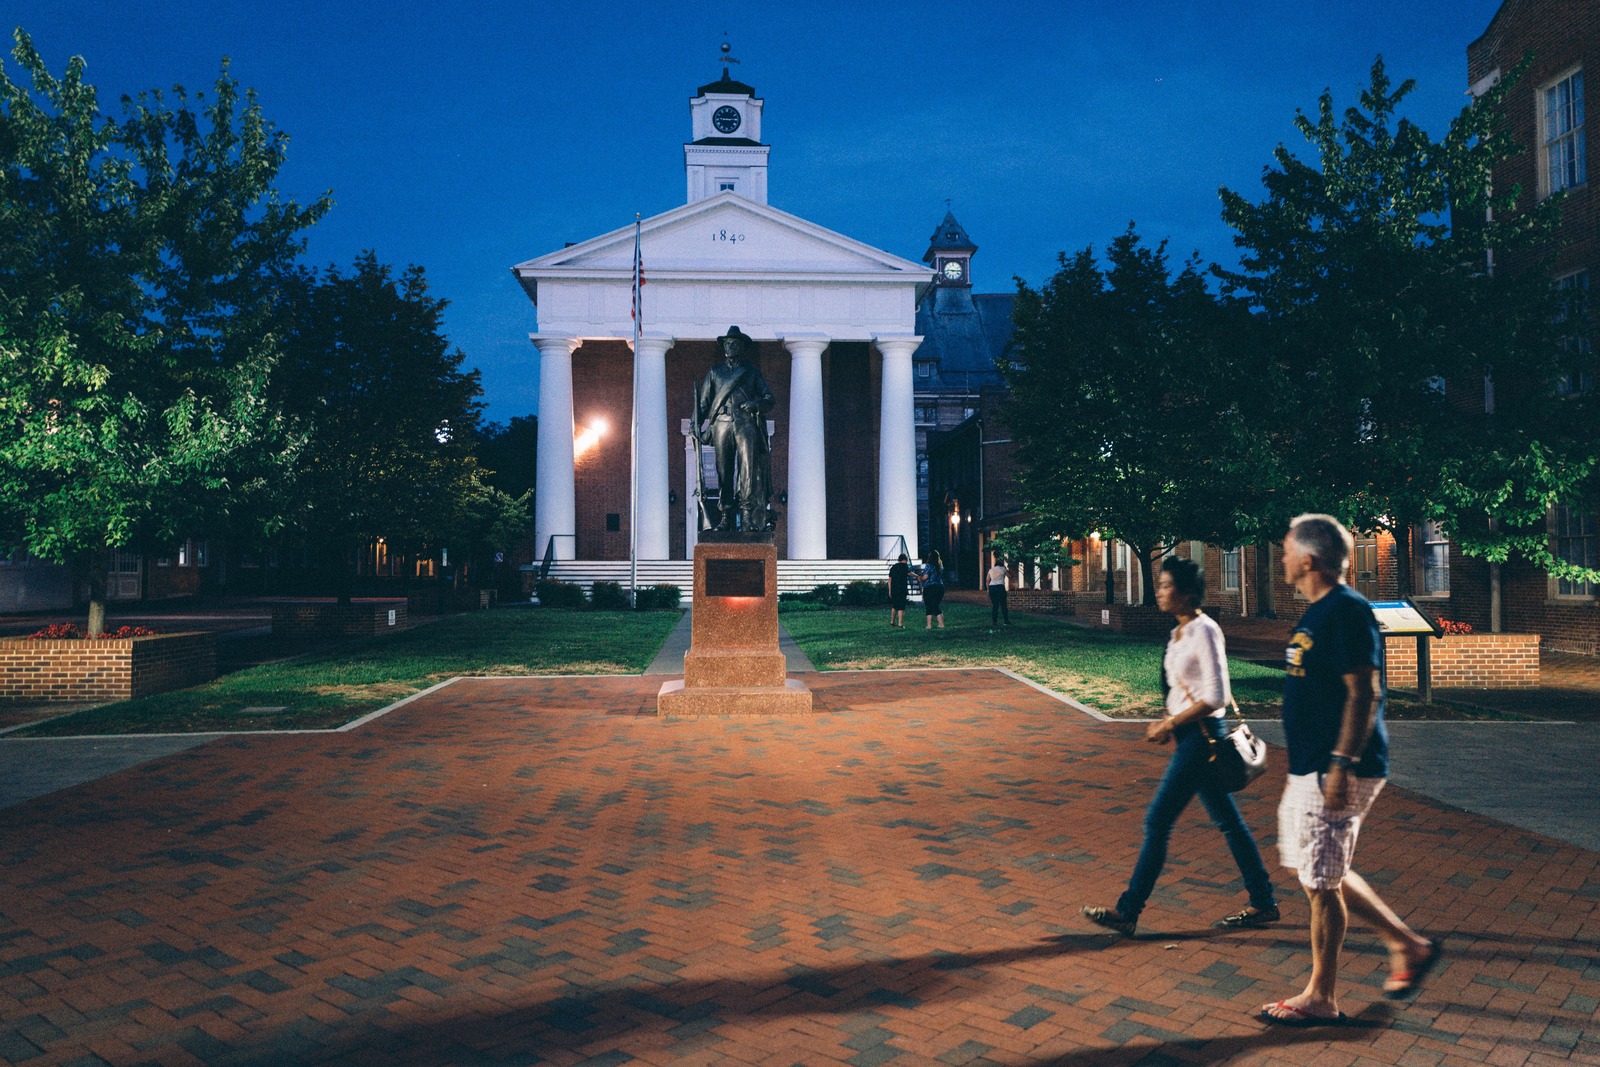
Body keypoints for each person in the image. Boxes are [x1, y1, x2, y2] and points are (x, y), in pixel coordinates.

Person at [1258, 514, 1437, 1027]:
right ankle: (1408, 945)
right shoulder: (1318, 612)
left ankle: (1321, 996)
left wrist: (1341, 763)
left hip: (1337, 767)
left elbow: (1366, 692)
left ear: (1308, 560)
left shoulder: (1347, 611)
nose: (1283, 557)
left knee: (1320, 880)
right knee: (1308, 868)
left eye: (1287, 549)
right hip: (1310, 765)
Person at [1082, 556, 1279, 937]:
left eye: (1167, 584)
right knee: (1228, 822)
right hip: (1189, 738)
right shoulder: (1179, 633)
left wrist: (1169, 723)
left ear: (1188, 593)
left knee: (1158, 821)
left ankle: (1128, 911)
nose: (1159, 590)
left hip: (1201, 736)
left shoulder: (1205, 630)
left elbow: (1217, 694)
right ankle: (1263, 901)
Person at [694, 325, 775, 532]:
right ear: (724, 347)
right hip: (721, 423)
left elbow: (769, 398)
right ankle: (725, 517)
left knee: (747, 470)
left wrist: (755, 405)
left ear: (742, 347)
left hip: (746, 423)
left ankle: (746, 516)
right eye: (728, 343)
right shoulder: (715, 373)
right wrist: (696, 424)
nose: (731, 346)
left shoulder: (751, 372)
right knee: (724, 472)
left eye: (735, 343)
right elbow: (703, 404)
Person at [921, 552, 946, 629]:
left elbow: (926, 576)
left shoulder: (929, 566)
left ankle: (930, 625)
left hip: (930, 587)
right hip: (940, 587)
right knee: (936, 605)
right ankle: (940, 623)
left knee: (929, 606)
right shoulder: (940, 566)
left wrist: (920, 579)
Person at [887, 554, 910, 628]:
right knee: (901, 606)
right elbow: (909, 573)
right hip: (902, 589)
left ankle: (892, 621)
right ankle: (900, 623)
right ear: (904, 560)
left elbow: (890, 580)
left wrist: (890, 590)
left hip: (894, 589)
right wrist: (917, 576)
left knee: (895, 605)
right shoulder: (904, 566)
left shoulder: (893, 567)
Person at [986, 558, 1010, 626]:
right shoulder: (1003, 569)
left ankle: (994, 621)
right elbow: (1010, 576)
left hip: (992, 587)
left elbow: (987, 580)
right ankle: (1006, 620)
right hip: (1000, 586)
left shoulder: (991, 570)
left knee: (995, 605)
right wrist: (1005, 570)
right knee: (1003, 605)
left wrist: (988, 590)